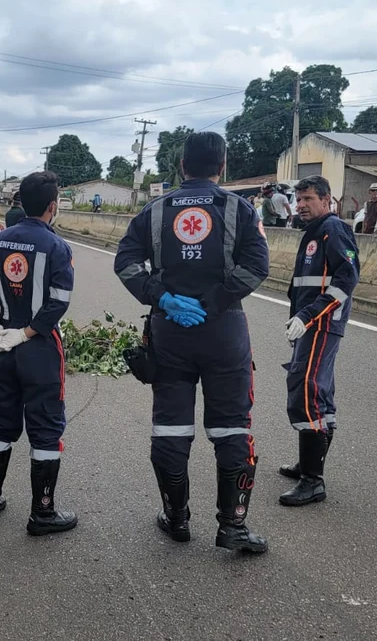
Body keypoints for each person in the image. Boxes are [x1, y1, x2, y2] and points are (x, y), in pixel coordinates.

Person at [113, 131, 271, 554]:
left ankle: (177, 518)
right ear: (221, 167)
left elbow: (124, 262)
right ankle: (233, 527)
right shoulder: (239, 208)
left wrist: (161, 296)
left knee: (170, 427)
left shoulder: (155, 210)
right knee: (232, 426)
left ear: (182, 166)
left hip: (169, 332)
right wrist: (216, 301)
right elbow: (259, 266)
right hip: (225, 333)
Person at [0, 170, 78, 537]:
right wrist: (26, 333)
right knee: (45, 430)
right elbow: (58, 302)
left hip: (1, 348)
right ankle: (42, 514)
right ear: (52, 206)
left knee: (1, 422)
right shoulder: (57, 248)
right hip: (40, 348)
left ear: (18, 203)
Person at [277, 175, 360, 507]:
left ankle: (313, 480)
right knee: (319, 392)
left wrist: (309, 315)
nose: (300, 205)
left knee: (306, 389)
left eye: (308, 199)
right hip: (311, 325)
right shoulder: (312, 233)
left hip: (322, 324)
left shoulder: (333, 229)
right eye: (298, 200)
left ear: (327, 201)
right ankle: (310, 465)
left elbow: (347, 278)